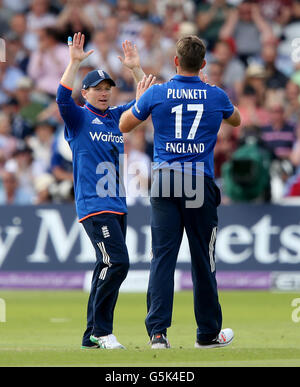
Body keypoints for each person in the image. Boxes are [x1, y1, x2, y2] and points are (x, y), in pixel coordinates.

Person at [119, 35, 241, 349]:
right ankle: (208, 334)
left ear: (175, 61)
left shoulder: (157, 92)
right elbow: (237, 119)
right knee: (204, 260)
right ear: (203, 64)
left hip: (164, 180)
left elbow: (124, 125)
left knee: (162, 259)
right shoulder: (216, 95)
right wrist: (209, 89)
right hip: (198, 182)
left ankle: (158, 334)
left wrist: (138, 96)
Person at [56, 32, 147, 349]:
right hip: (94, 205)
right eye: (97, 89)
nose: (104, 93)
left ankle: (90, 337)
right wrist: (73, 63)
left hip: (117, 204)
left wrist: (135, 69)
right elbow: (62, 99)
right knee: (118, 263)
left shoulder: (116, 119)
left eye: (108, 88)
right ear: (86, 92)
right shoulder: (79, 118)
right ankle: (102, 331)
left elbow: (145, 101)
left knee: (105, 267)